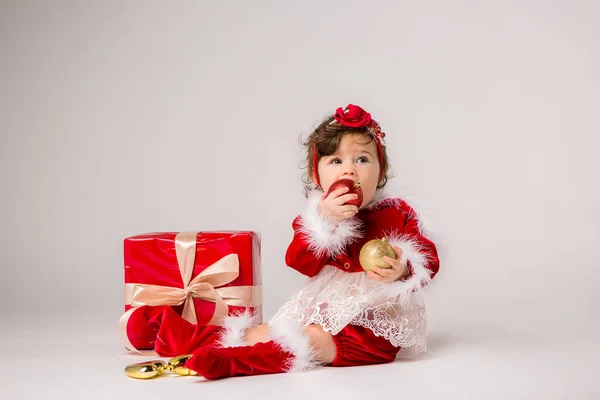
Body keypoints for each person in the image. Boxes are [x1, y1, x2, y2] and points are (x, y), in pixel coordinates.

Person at [151, 104, 441, 379]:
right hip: (325, 311)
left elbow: (427, 257)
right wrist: (324, 223)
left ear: (380, 172)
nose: (349, 170)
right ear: (317, 175)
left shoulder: (397, 213)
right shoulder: (320, 217)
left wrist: (403, 268)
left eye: (362, 159)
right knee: (270, 331)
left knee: (309, 340)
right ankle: (185, 336)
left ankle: (233, 362)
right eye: (336, 161)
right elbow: (300, 261)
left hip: (372, 329)